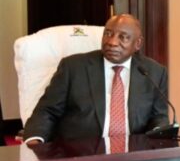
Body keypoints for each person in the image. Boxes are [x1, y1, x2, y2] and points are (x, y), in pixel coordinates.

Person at [24, 14, 169, 145]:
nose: (112, 42)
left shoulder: (154, 72)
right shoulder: (73, 67)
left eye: (123, 37)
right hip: (78, 153)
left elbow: (158, 116)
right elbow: (47, 111)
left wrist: (160, 135)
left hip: (131, 155)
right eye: (108, 34)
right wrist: (35, 139)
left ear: (137, 44)